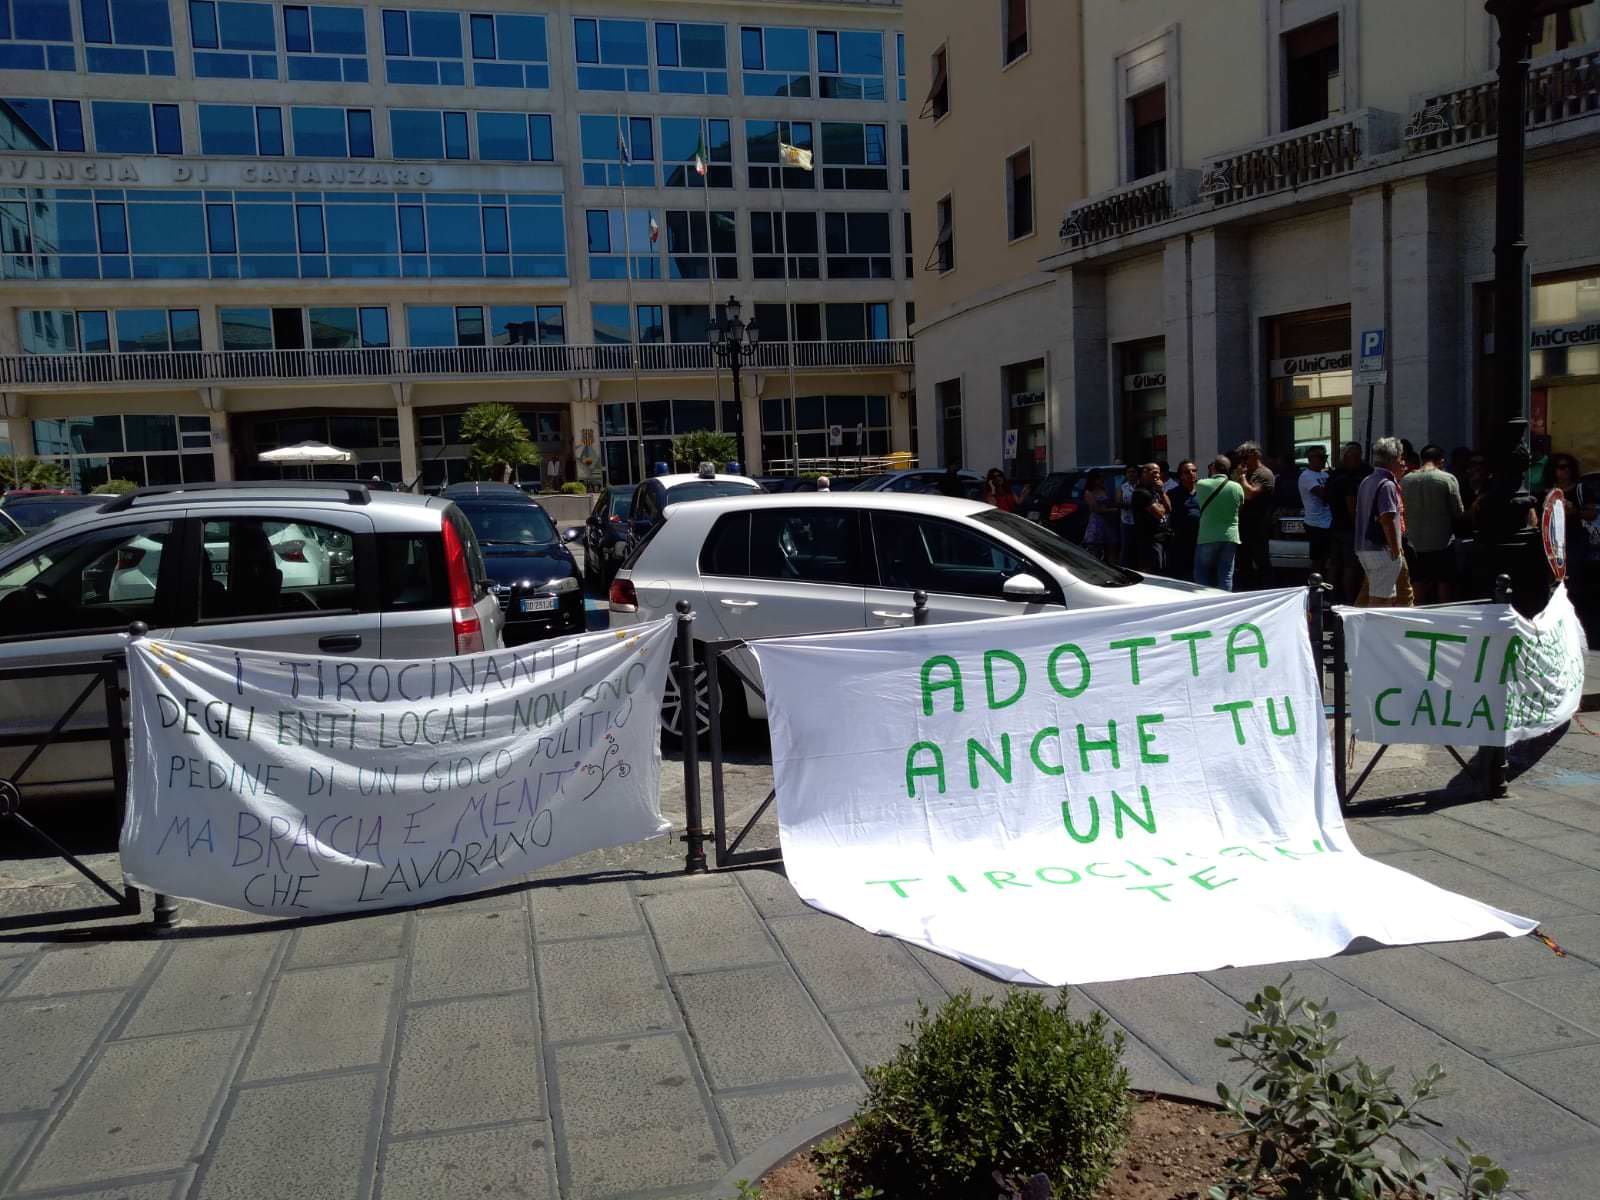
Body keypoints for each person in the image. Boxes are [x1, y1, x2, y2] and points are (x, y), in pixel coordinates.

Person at [1401, 444, 1464, 603]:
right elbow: (1458, 511)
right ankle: (1443, 617)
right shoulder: (1447, 479)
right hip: (1441, 542)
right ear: (1440, 460)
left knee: (1417, 581)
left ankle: (1417, 616)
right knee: (1444, 581)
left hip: (1414, 542)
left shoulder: (1405, 480)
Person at [1355, 437, 1410, 607]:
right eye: (1401, 458)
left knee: (1382, 597)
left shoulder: (1367, 480)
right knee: (1381, 603)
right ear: (1393, 459)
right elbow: (1387, 519)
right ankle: (1362, 632)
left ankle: (1355, 630)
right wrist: (1396, 551)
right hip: (1381, 550)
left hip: (1365, 548)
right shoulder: (1387, 484)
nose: (1403, 463)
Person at [1193, 456, 1255, 591]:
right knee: (1226, 576)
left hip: (1207, 536)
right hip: (1230, 537)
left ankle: (1203, 605)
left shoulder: (1202, 484)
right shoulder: (1237, 487)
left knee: (1202, 574)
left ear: (1213, 468)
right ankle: (1224, 604)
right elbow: (1240, 507)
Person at [1325, 442, 1371, 604]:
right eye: (1356, 456)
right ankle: (1348, 599)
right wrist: (1358, 527)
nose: (1360, 460)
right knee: (1348, 566)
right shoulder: (1346, 478)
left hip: (1336, 525)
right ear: (1346, 458)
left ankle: (1333, 598)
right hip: (1347, 528)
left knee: (1335, 565)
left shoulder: (1334, 475)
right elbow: (1350, 503)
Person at [1234, 442, 1275, 589]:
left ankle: (1267, 590)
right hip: (1244, 524)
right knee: (1244, 562)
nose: (1243, 461)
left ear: (1256, 455)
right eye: (1241, 457)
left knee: (1261, 561)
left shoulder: (1263, 474)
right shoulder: (1247, 472)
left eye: (1245, 457)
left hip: (1258, 525)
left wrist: (1242, 477)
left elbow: (1250, 493)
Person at [1297, 446, 1333, 580]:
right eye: (1320, 457)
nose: (1323, 460)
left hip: (1328, 521)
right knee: (1318, 560)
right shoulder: (1306, 476)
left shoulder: (1326, 474)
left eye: (1325, 457)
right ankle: (1313, 585)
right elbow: (1323, 494)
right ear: (1310, 459)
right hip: (1315, 523)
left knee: (1327, 559)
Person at [1128, 462, 1171, 574]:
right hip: (1149, 539)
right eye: (1154, 472)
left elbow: (1169, 508)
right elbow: (1160, 513)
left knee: (1162, 569)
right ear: (1144, 473)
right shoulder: (1141, 492)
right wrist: (1161, 507)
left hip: (1160, 537)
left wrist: (1161, 492)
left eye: (1159, 473)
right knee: (1153, 571)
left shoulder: (1155, 491)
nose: (1158, 476)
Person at [1168, 459, 1201, 581]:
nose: (1192, 473)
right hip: (1180, 542)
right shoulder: (1173, 494)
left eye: (1194, 471)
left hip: (1199, 540)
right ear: (1180, 475)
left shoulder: (1203, 492)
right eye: (1187, 472)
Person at [1081, 469, 1117, 561]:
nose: (1101, 480)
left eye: (1102, 477)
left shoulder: (1104, 489)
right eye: (1099, 478)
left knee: (1111, 548)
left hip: (1109, 522)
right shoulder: (1088, 492)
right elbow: (1095, 509)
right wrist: (1112, 510)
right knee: (1095, 550)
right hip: (1097, 522)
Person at [1117, 463, 1139, 567]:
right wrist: (1131, 505)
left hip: (1140, 522)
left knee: (1138, 547)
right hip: (1126, 521)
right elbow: (1118, 502)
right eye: (1129, 472)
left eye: (1133, 472)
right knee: (1126, 547)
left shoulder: (1141, 486)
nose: (1131, 474)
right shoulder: (1122, 487)